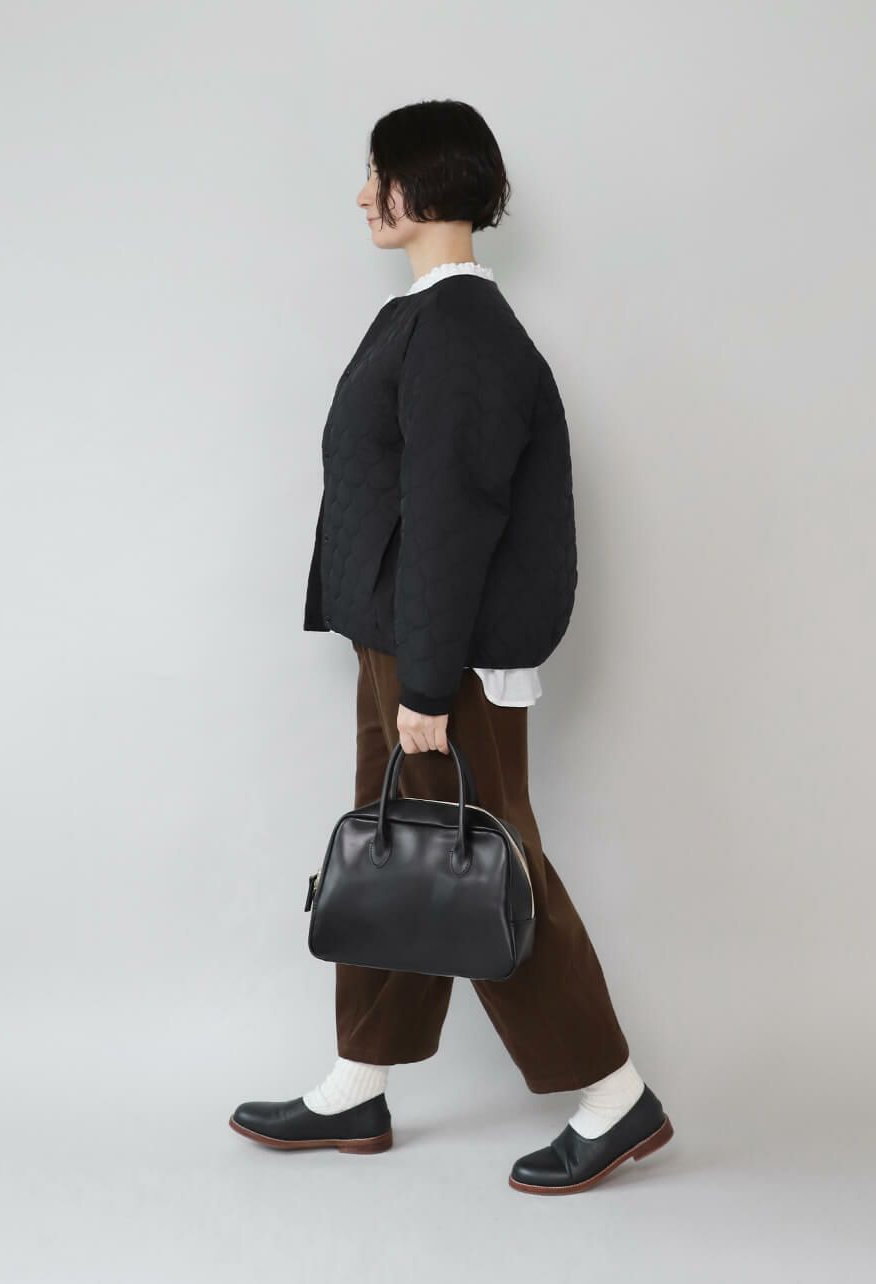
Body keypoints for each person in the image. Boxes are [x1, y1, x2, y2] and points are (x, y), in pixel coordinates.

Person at [229, 99, 673, 1195]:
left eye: (376, 175)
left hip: (442, 656)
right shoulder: (424, 317)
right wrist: (399, 660)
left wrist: (426, 681)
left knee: (482, 864)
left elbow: (450, 516)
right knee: (396, 854)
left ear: (423, 185)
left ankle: (613, 1095)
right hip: (402, 641)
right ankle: (356, 1084)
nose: (362, 197)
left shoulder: (462, 331)